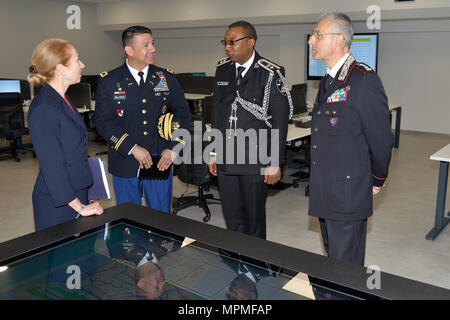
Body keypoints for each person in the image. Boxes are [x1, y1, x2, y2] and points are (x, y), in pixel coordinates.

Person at [307, 12, 393, 265]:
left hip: (347, 191)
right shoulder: (329, 80)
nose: (311, 40)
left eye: (317, 35)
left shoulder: (363, 80)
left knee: (345, 265)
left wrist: (377, 178)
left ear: (338, 39)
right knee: (333, 257)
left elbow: (380, 138)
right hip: (326, 187)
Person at [208, 21, 292, 239]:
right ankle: (236, 262)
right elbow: (217, 112)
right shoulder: (223, 69)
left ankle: (255, 265)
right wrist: (214, 151)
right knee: (232, 216)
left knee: (253, 218)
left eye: (233, 42)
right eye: (225, 42)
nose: (228, 47)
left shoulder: (271, 73)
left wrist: (275, 162)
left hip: (255, 158)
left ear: (251, 42)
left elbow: (280, 122)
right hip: (226, 156)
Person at [95, 26, 191, 213]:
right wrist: (132, 148)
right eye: (146, 45)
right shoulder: (109, 80)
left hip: (160, 158)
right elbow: (103, 122)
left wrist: (173, 148)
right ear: (129, 50)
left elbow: (184, 116)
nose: (153, 48)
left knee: (161, 216)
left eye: (153, 43)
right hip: (125, 159)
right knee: (128, 219)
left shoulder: (166, 77)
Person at [27, 38, 103, 231]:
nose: (82, 65)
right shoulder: (45, 106)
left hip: (76, 190)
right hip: (60, 202)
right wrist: (80, 207)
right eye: (77, 60)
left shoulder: (62, 98)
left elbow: (73, 152)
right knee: (62, 259)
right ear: (60, 68)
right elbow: (51, 165)